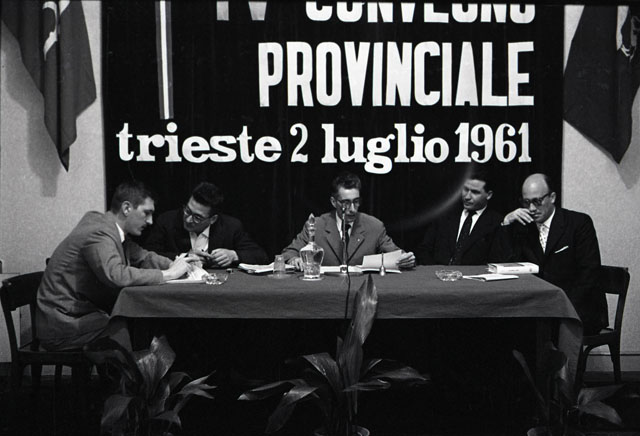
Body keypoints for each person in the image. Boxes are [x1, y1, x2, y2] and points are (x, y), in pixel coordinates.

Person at [36, 181, 197, 351]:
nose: (150, 221)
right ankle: (139, 368)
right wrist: (169, 274)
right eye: (146, 213)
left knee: (141, 321)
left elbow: (143, 256)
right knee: (131, 323)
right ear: (127, 208)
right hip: (63, 325)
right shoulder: (99, 232)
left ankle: (147, 366)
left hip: (79, 315)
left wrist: (177, 264)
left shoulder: (110, 228)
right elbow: (116, 275)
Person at [496, 173, 607, 334]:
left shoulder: (578, 223)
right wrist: (506, 223)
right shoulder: (523, 227)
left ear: (552, 197)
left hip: (576, 307)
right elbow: (504, 265)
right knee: (502, 327)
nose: (531, 209)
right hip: (538, 309)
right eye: (526, 202)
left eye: (537, 201)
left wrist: (560, 307)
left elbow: (589, 273)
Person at [282, 172, 415, 268]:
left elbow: (397, 255)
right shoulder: (317, 225)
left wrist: (405, 259)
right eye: (346, 203)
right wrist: (295, 260)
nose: (352, 209)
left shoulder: (374, 226)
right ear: (333, 202)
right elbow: (288, 253)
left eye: (356, 202)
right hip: (325, 290)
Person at [144, 182, 268, 267]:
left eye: (197, 217)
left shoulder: (231, 226)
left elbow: (260, 256)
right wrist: (184, 256)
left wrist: (234, 255)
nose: (188, 219)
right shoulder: (167, 221)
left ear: (213, 219)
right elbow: (147, 255)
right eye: (187, 211)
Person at [416, 170, 503, 265]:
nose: (467, 197)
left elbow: (497, 260)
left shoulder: (496, 222)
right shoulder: (443, 216)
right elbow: (424, 250)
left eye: (475, 192)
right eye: (465, 189)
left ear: (489, 195)